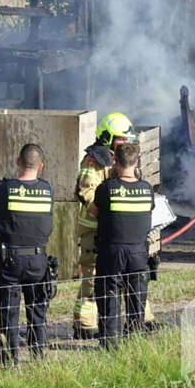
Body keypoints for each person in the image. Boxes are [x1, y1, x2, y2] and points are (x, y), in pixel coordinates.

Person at [0, 143, 55, 365]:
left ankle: (10, 360)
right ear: (41, 166)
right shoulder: (48, 189)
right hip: (38, 260)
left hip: (9, 261)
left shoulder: (2, 188)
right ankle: (38, 358)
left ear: (17, 162)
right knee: (37, 311)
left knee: (8, 312)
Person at [72, 112, 135, 338]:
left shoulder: (122, 159)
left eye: (126, 140)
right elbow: (86, 193)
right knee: (92, 276)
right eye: (120, 139)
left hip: (119, 228)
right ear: (108, 137)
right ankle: (85, 325)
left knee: (129, 275)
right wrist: (109, 208)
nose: (124, 144)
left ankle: (139, 320)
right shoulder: (94, 161)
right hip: (94, 230)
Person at [89, 142, 154, 348]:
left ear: (114, 161)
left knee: (109, 295)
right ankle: (135, 338)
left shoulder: (106, 188)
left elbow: (93, 211)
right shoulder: (146, 189)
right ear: (136, 162)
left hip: (112, 250)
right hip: (138, 250)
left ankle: (110, 342)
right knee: (137, 295)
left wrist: (110, 180)